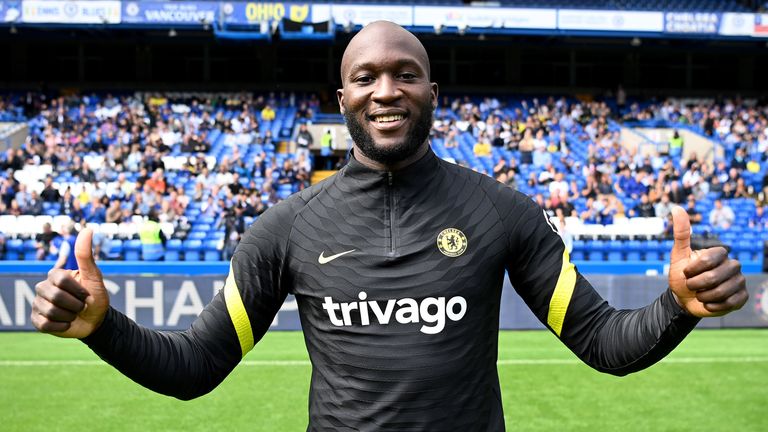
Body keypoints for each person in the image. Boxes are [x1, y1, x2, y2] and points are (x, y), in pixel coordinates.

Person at [31, 22, 748, 431]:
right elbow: (193, 370)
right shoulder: (284, 229)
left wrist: (677, 307)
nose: (386, 90)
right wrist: (104, 327)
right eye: (366, 76)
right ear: (340, 96)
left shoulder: (502, 211)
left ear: (433, 93)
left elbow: (603, 343)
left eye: (405, 74)